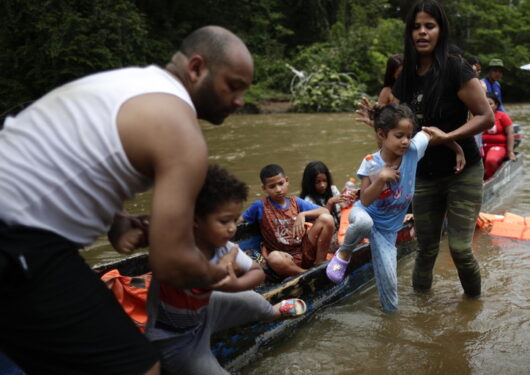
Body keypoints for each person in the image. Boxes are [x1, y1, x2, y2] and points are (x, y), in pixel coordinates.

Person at [0, 25, 254, 374]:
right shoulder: (181, 129)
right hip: (17, 235)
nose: (240, 101)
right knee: (143, 368)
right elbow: (171, 264)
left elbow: (64, 162)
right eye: (234, 86)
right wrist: (218, 274)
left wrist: (115, 218)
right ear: (197, 69)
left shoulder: (130, 83)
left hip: (19, 223)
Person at [357, 0, 493, 298]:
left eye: (429, 26)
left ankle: (473, 309)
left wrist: (450, 139)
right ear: (409, 33)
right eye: (416, 27)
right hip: (423, 175)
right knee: (426, 249)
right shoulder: (404, 79)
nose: (422, 32)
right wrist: (378, 126)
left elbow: (486, 117)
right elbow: (404, 132)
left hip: (463, 171)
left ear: (440, 31)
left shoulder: (456, 70)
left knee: (459, 249)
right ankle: (421, 316)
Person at [145, 164, 306, 375]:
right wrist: (217, 275)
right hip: (177, 337)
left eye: (234, 220)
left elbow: (257, 272)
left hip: (207, 308)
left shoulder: (223, 245)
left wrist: (235, 284)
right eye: (223, 221)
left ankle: (272, 314)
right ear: (194, 220)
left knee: (253, 299)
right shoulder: (175, 247)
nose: (232, 229)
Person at [326, 104, 465, 312]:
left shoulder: (412, 150)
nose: (405, 141)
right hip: (365, 213)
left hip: (387, 231)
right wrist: (381, 178)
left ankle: (390, 327)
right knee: (364, 222)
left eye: (408, 135)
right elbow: (364, 200)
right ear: (382, 134)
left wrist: (458, 149)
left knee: (390, 285)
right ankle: (344, 253)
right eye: (399, 136)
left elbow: (432, 132)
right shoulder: (371, 163)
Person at [241, 164, 335, 278]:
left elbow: (325, 211)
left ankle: (320, 264)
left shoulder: (296, 202)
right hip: (286, 259)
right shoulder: (259, 206)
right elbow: (238, 221)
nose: (278, 190)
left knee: (327, 219)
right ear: (264, 189)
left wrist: (303, 214)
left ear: (286, 181)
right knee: (274, 258)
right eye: (272, 186)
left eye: (281, 184)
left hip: (305, 250)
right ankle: (305, 274)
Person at [300, 160, 353, 228]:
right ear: (310, 184)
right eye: (317, 182)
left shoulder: (333, 189)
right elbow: (319, 223)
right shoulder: (308, 201)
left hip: (340, 229)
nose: (322, 185)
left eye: (324, 180)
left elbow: (344, 207)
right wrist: (330, 203)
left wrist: (348, 198)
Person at [482, 92, 516, 180]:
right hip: (481, 147)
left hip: (498, 146)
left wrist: (510, 152)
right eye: (485, 104)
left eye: (491, 104)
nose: (488, 106)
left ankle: (491, 180)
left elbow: (510, 134)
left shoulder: (502, 116)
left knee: (491, 160)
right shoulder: (478, 117)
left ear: (496, 105)